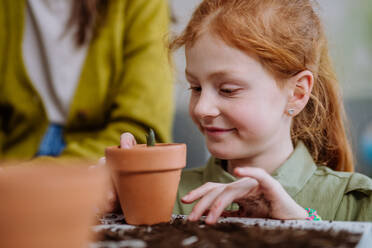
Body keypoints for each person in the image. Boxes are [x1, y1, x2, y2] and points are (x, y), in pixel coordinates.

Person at [119, 0, 372, 223]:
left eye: (228, 90)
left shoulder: (356, 204)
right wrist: (115, 203)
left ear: (297, 93)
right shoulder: (165, 195)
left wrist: (302, 225)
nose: (202, 108)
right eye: (195, 87)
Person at [0, 0, 173, 161]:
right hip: (12, 163)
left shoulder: (142, 5)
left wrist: (37, 175)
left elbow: (142, 134)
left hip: (98, 162)